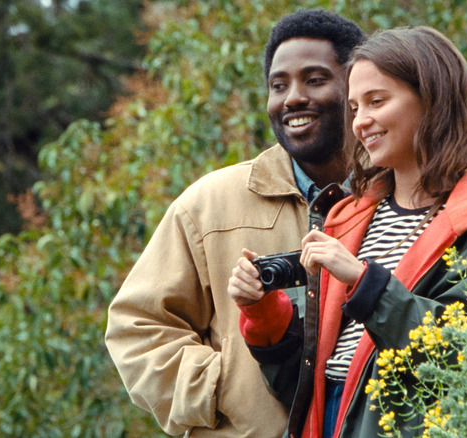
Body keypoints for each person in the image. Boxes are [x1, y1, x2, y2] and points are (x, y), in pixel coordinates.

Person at [228, 26, 467, 438]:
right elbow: (302, 389)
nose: (361, 122)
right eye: (354, 108)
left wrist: (364, 283)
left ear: (432, 101)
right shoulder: (350, 217)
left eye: (377, 101)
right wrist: (265, 312)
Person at [104, 10, 365, 438]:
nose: (292, 98)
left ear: (357, 88)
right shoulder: (209, 204)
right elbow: (137, 327)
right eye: (278, 85)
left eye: (315, 79)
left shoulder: (399, 198)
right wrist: (225, 387)